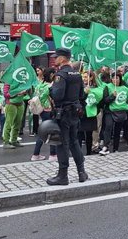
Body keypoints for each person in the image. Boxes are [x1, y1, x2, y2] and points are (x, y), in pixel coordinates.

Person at [46, 48, 88, 186]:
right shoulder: (77, 74)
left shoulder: (61, 75)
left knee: (61, 143)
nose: (54, 59)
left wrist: (50, 90)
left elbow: (57, 95)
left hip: (62, 113)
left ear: (63, 59)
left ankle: (62, 175)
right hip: (75, 112)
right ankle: (81, 172)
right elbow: (82, 95)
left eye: (56, 57)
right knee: (74, 142)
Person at [99, 72, 128, 155]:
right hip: (109, 111)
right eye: (113, 78)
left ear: (120, 79)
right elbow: (105, 100)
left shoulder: (125, 89)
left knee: (118, 130)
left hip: (121, 111)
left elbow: (127, 100)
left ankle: (115, 148)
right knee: (108, 127)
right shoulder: (107, 87)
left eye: (117, 78)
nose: (115, 80)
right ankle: (106, 146)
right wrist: (112, 96)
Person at [31, 67, 57, 161]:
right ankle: (53, 154)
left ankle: (36, 154)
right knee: (52, 132)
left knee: (43, 132)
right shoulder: (50, 86)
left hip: (41, 110)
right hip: (49, 110)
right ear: (51, 75)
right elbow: (54, 98)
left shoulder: (39, 85)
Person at [3, 79, 30, 149]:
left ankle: (14, 140)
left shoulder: (22, 80)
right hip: (11, 104)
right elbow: (5, 94)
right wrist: (17, 93)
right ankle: (6, 142)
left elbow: (28, 90)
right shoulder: (8, 80)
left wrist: (25, 91)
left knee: (18, 124)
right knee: (9, 124)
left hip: (20, 103)